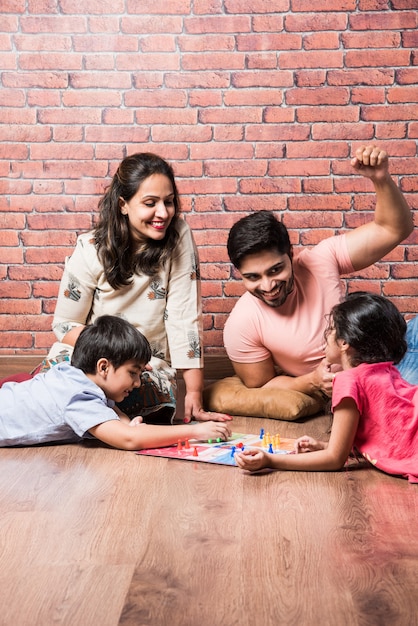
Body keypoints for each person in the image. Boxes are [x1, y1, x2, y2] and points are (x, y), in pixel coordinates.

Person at [36, 152, 230, 425]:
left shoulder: (178, 236)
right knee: (55, 374)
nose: (163, 213)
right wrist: (114, 354)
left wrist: (195, 392)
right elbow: (65, 324)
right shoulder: (90, 248)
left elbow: (184, 315)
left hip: (146, 366)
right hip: (95, 357)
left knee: (141, 391)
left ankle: (95, 417)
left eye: (169, 202)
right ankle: (108, 419)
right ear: (123, 205)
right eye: (150, 203)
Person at [224, 145, 416, 402]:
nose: (268, 285)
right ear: (239, 273)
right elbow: (261, 385)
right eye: (253, 277)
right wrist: (311, 381)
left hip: (400, 347)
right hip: (368, 379)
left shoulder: (320, 259)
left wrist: (380, 179)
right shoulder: (242, 323)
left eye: (276, 270)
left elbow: (394, 229)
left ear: (290, 254)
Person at [235, 292, 418, 484]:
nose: (326, 337)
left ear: (345, 343)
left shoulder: (348, 380)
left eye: (330, 330)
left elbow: (334, 459)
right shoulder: (386, 370)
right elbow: (384, 435)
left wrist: (270, 459)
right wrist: (325, 445)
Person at [0, 315, 231, 449]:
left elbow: (113, 413)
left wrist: (125, 421)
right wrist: (195, 432)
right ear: (103, 367)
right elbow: (129, 439)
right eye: (133, 373)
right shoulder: (76, 397)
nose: (138, 383)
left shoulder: (76, 378)